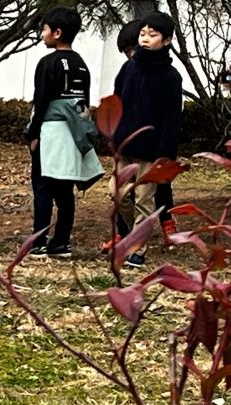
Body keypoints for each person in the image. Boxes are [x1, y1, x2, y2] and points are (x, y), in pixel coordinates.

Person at [25, 6, 103, 257]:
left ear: (57, 33)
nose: (42, 34)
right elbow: (83, 104)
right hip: (73, 133)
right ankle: (61, 242)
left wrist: (33, 133)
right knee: (65, 189)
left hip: (51, 131)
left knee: (42, 187)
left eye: (45, 29)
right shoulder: (81, 65)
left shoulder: (48, 63)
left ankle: (38, 241)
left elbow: (42, 101)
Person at [109, 12, 182, 266]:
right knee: (118, 195)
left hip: (150, 152)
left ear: (167, 40)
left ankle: (138, 248)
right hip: (123, 146)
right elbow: (116, 102)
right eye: (143, 34)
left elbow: (171, 120)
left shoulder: (170, 77)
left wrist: (166, 157)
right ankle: (131, 235)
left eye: (153, 35)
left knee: (143, 199)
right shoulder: (128, 68)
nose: (146, 39)